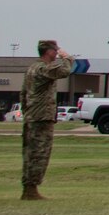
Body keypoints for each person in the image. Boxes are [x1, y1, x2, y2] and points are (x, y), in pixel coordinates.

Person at [20, 41, 76, 200]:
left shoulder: (31, 68)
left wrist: (27, 111)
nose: (57, 52)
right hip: (41, 117)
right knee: (40, 152)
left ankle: (29, 187)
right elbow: (65, 71)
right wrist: (67, 58)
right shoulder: (43, 68)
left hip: (33, 115)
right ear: (48, 51)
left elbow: (23, 92)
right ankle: (31, 189)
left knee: (30, 153)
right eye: (55, 50)